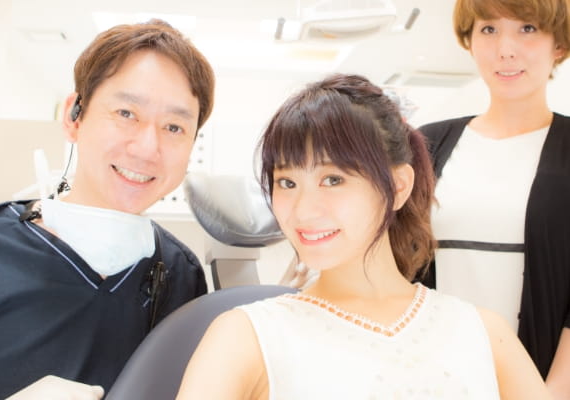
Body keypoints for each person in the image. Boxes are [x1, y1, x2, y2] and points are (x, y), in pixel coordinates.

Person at [0, 19, 214, 399]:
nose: (148, 148)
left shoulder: (183, 277)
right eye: (126, 113)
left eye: (174, 127)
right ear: (74, 116)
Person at [175, 73, 550, 399]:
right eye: (287, 182)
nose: (303, 210)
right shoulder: (245, 336)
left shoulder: (483, 333)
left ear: (398, 186)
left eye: (332, 179)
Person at [416, 0, 570, 396]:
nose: (505, 49)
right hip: (437, 377)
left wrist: (551, 393)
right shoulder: (426, 144)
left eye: (527, 29)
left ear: (559, 44)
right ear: (470, 41)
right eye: (489, 30)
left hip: (543, 382)